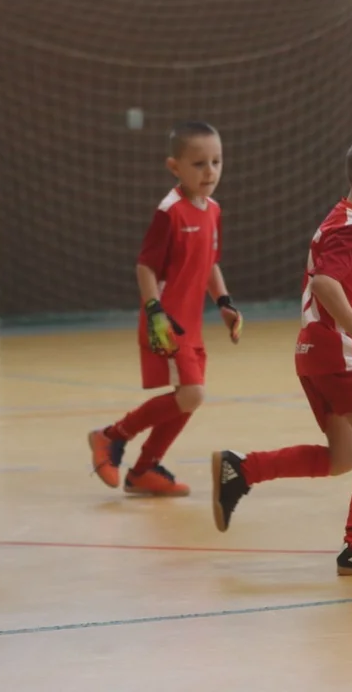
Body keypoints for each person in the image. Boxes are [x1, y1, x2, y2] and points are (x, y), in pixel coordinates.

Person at [211, 126, 352, 576]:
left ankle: (242, 470)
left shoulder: (347, 220)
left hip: (315, 352)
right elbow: (326, 284)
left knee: (343, 457)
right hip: (339, 352)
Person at [88, 121, 241, 496]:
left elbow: (210, 263)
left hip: (192, 323)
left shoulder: (213, 210)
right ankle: (110, 436)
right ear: (175, 167)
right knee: (192, 394)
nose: (210, 172)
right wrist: (154, 311)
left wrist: (223, 302)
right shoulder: (169, 212)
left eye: (217, 162)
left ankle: (143, 471)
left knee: (187, 400)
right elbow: (145, 267)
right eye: (199, 164)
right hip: (166, 322)